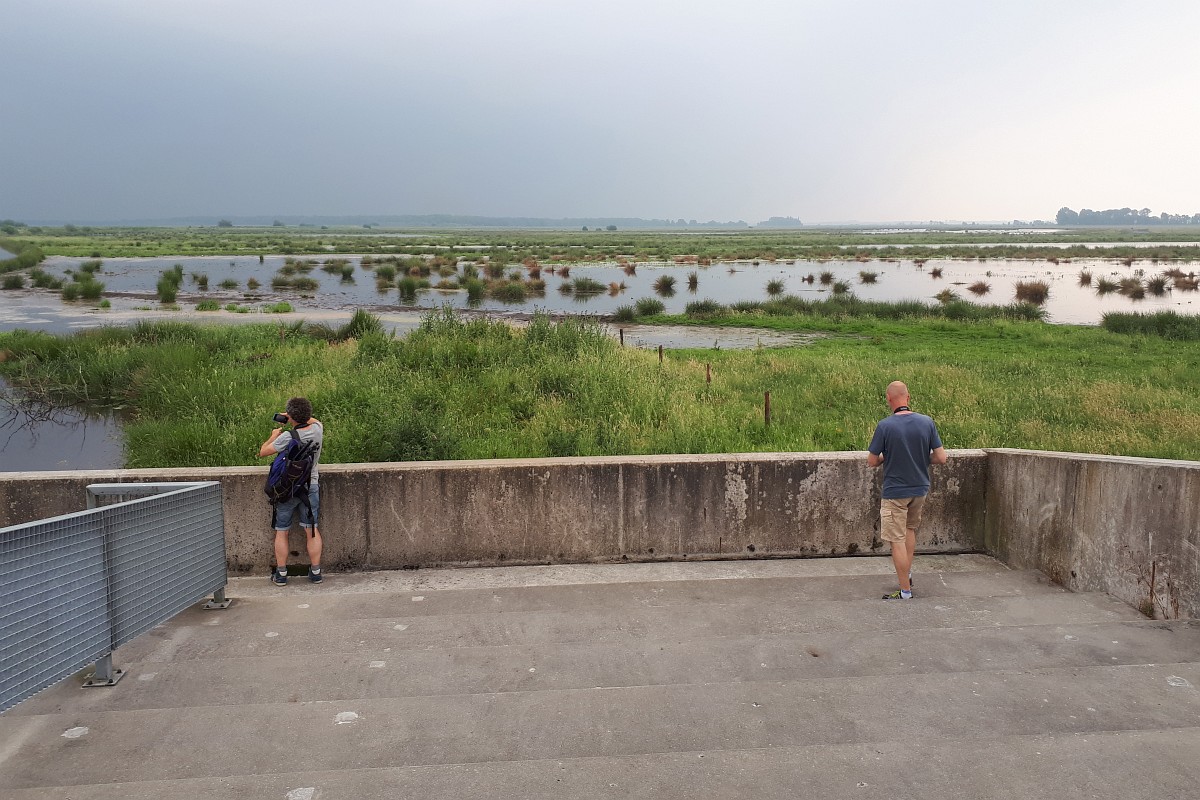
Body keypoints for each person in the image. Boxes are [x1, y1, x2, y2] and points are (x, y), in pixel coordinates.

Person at [867, 381, 947, 600]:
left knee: (897, 540)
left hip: (895, 492)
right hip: (919, 489)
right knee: (910, 530)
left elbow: (872, 461)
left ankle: (905, 591)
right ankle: (907, 574)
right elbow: (941, 457)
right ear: (908, 397)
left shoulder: (885, 426)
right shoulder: (926, 422)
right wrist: (921, 458)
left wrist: (887, 457)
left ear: (888, 399)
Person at [258, 396, 325, 585]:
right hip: (310, 486)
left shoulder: (287, 437)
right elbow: (314, 420)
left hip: (287, 489)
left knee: (282, 531)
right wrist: (295, 416)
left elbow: (263, 452)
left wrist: (274, 435)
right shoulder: (317, 430)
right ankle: (316, 572)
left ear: (291, 416)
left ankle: (281, 574)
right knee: (311, 530)